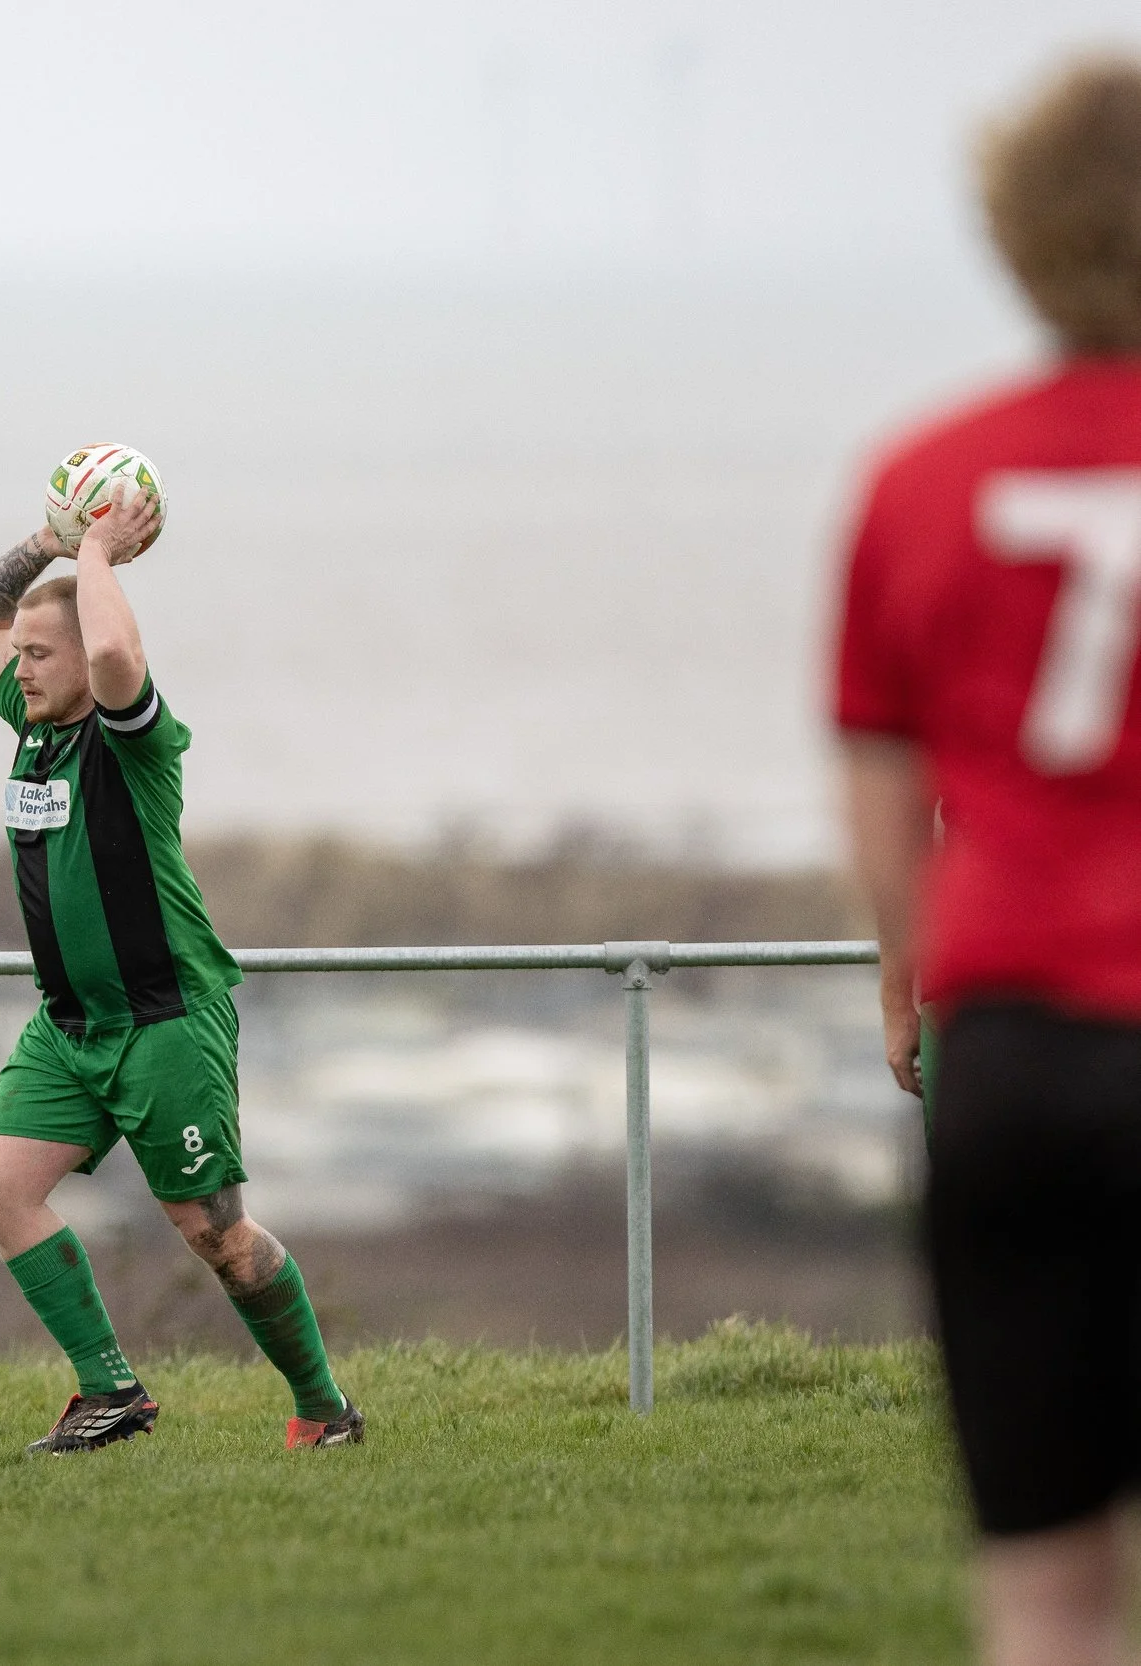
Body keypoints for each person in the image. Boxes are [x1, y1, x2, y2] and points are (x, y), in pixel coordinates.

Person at [834, 55, 1141, 1666]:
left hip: (1017, 1046)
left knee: (1044, 1588)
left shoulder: (919, 477)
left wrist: (907, 982)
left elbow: (886, 802)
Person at [0, 487, 361, 1456]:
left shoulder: (132, 740)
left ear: (85, 659)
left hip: (165, 1019)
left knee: (216, 1236)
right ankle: (111, 1392)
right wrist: (46, 542)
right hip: (70, 1024)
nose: (21, 665)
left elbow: (123, 659)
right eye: (25, 655)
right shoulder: (33, 721)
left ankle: (324, 1408)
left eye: (42, 654)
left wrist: (95, 556)